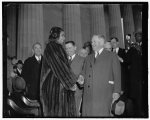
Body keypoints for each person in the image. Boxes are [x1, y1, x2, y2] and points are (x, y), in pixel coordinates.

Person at [40, 27, 77, 117]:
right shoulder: (52, 47)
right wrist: (70, 83)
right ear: (56, 36)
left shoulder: (56, 47)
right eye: (62, 36)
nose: (64, 38)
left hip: (59, 84)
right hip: (55, 86)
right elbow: (59, 66)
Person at [80, 35, 121, 117]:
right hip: (88, 95)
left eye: (94, 41)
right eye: (92, 42)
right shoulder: (88, 58)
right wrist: (81, 79)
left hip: (104, 93)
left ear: (101, 42)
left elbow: (117, 75)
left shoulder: (112, 56)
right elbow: (83, 73)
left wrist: (116, 91)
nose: (92, 44)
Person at [65, 41, 85, 116]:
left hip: (76, 93)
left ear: (75, 48)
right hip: (64, 93)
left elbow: (84, 75)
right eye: (66, 48)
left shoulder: (82, 60)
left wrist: (78, 81)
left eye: (70, 48)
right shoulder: (63, 61)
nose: (68, 50)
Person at [126, 31, 143, 117]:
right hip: (136, 77)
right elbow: (127, 60)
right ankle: (139, 114)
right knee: (137, 97)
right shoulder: (132, 48)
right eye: (136, 35)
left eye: (139, 35)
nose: (137, 37)